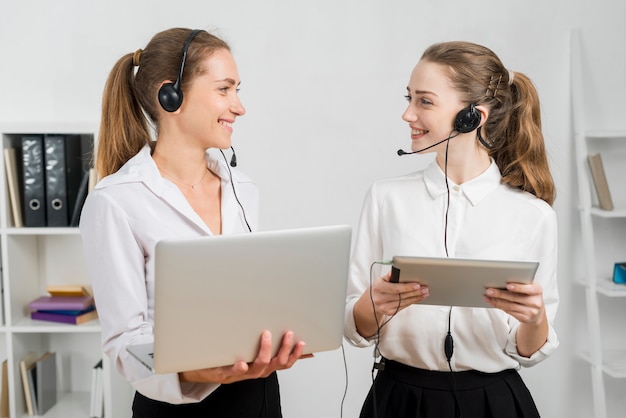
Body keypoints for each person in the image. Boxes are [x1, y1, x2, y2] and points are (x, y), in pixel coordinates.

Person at [80, 27, 306, 418]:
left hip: (258, 396)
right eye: (224, 89)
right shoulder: (116, 201)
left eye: (238, 90)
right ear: (172, 96)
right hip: (176, 406)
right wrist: (196, 370)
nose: (239, 107)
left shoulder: (242, 188)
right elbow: (125, 346)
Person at [344, 41, 559, 418]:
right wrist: (371, 307)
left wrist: (535, 318)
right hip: (399, 400)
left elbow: (528, 350)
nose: (407, 114)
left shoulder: (533, 214)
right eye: (409, 98)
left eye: (424, 101)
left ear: (471, 117)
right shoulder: (385, 199)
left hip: (493, 402)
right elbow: (356, 326)